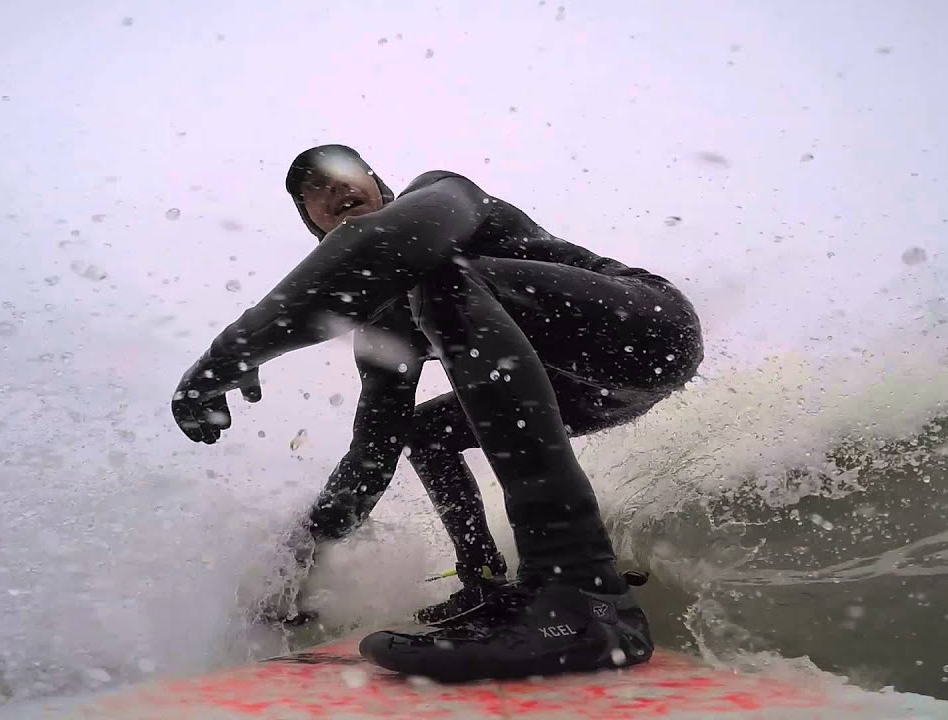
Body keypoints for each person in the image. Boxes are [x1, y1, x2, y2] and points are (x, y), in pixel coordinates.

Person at [171, 144, 703, 682]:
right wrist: (302, 557)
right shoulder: (383, 328)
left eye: (343, 174)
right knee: (422, 432)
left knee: (439, 277)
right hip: (583, 390)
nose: (333, 187)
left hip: (649, 327)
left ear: (380, 185)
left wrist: (226, 356)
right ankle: (486, 584)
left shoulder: (445, 193)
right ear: (311, 222)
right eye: (314, 190)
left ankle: (583, 591)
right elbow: (371, 456)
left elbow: (376, 247)